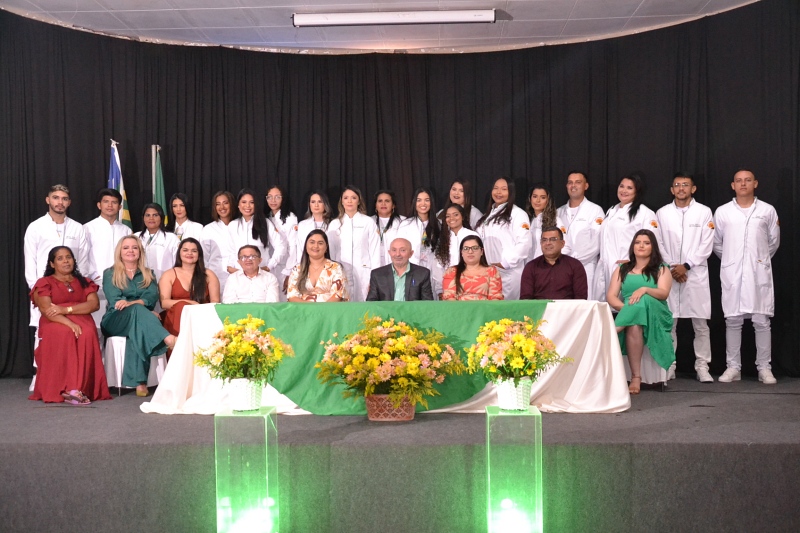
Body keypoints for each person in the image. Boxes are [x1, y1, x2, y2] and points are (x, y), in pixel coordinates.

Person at [713, 169, 780, 384]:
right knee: (733, 320)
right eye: (739, 181)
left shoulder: (767, 210)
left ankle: (764, 368)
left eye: (747, 180)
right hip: (732, 272)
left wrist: (758, 259)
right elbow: (716, 243)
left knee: (761, 320)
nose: (743, 184)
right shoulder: (723, 212)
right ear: (733, 185)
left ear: (755, 183)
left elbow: (773, 242)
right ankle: (733, 367)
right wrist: (733, 260)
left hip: (758, 271)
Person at [29, 246, 111, 405]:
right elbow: (46, 309)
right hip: (55, 320)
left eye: (69, 257)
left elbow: (94, 304)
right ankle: (65, 388)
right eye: (60, 258)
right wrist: (69, 323)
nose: (66, 261)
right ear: (52, 264)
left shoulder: (84, 281)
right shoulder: (45, 283)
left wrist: (67, 310)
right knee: (65, 333)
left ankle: (79, 389)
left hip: (81, 318)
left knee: (87, 333)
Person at [656, 172, 715, 383]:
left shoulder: (704, 212)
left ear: (693, 188)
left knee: (700, 325)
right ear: (672, 189)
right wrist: (674, 267)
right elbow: (658, 243)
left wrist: (687, 266)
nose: (681, 188)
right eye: (677, 185)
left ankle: (702, 366)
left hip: (695, 274)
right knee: (669, 323)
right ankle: (669, 365)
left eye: (685, 185)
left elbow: (707, 243)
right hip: (670, 274)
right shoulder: (662, 213)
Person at [101, 236, 176, 397]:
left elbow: (151, 297)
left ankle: (140, 383)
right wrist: (140, 306)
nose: (130, 251)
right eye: (126, 248)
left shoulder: (148, 274)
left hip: (138, 318)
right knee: (137, 312)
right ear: (119, 252)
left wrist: (137, 305)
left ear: (140, 252)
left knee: (136, 329)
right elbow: (116, 301)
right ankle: (168, 339)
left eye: (134, 247)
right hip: (115, 319)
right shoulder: (110, 273)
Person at [607, 230, 673, 395]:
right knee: (635, 324)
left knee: (643, 299)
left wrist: (644, 289)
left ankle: (611, 331)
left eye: (646, 243)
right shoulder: (622, 269)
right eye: (637, 242)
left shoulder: (662, 269)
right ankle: (636, 376)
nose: (641, 246)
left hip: (656, 311)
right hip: (632, 312)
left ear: (653, 247)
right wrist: (630, 310)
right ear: (633, 246)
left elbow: (663, 293)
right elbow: (611, 296)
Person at [24, 185, 90, 338]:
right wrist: (38, 292)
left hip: (72, 293)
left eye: (64, 199)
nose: (60, 202)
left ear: (69, 202)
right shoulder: (35, 227)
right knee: (44, 334)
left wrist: (79, 288)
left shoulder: (77, 228)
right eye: (56, 198)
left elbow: (83, 262)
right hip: (45, 291)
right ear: (48, 200)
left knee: (76, 332)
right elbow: (30, 262)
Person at [596, 173, 664, 302]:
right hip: (605, 267)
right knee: (605, 307)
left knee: (628, 305)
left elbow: (653, 243)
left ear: (637, 191)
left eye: (629, 188)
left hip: (629, 269)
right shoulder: (612, 210)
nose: (624, 190)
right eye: (621, 186)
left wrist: (632, 261)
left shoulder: (644, 213)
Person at [83, 188, 132, 331]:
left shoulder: (126, 230)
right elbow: (83, 257)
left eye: (114, 202)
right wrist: (93, 276)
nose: (110, 205)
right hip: (96, 283)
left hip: (122, 284)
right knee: (96, 328)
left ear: (120, 207)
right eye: (106, 202)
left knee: (119, 328)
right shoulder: (88, 228)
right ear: (99, 205)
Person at [475, 177, 532, 300]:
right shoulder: (487, 215)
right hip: (487, 273)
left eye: (504, 189)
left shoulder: (518, 214)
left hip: (507, 273)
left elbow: (524, 243)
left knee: (506, 310)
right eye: (496, 188)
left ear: (511, 192)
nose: (498, 192)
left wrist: (505, 263)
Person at [158, 237, 220, 344]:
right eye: (185, 250)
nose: (189, 253)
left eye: (194, 251)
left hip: (201, 317)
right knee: (181, 306)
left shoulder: (209, 274)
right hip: (175, 318)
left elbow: (215, 302)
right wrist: (189, 303)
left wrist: (197, 308)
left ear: (199, 254)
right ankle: (179, 345)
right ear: (179, 253)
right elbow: (164, 303)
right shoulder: (169, 274)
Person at [327, 186, 381, 302]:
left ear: (359, 201)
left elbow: (375, 252)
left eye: (353, 198)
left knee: (365, 306)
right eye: (346, 198)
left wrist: (375, 279)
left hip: (364, 273)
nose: (349, 201)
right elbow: (332, 254)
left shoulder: (368, 222)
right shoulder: (334, 224)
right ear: (342, 201)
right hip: (341, 273)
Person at [557, 171, 604, 299]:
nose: (573, 185)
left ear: (586, 186)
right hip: (560, 267)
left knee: (584, 303)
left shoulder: (595, 210)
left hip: (585, 266)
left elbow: (597, 243)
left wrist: (573, 261)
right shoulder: (558, 212)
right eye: (570, 182)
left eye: (578, 182)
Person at [226, 188, 287, 277]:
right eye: (244, 202)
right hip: (239, 275)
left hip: (261, 275)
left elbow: (281, 246)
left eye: (252, 202)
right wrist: (230, 267)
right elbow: (231, 251)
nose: (247, 206)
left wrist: (269, 266)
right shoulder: (233, 225)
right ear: (238, 205)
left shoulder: (265, 223)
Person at [397, 187, 444, 297]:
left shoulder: (439, 225)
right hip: (412, 270)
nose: (423, 204)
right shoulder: (406, 225)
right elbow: (400, 249)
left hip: (433, 271)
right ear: (414, 202)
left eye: (427, 200)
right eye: (419, 200)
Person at [520, 227, 587, 300]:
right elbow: (525, 299)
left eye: (553, 239)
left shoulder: (575, 266)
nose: (548, 243)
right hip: (540, 307)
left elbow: (581, 298)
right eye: (544, 240)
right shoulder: (531, 267)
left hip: (567, 307)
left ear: (562, 244)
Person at [287, 230, 348, 302]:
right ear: (306, 246)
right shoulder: (297, 269)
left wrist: (321, 309)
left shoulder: (336, 268)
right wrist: (310, 308)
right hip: (303, 308)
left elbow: (338, 295)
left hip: (330, 308)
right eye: (312, 242)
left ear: (326, 247)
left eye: (320, 243)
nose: (316, 246)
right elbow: (292, 296)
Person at [366, 238, 434, 301]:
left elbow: (427, 303)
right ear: (389, 253)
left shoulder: (422, 274)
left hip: (412, 310)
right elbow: (371, 303)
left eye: (402, 250)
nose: (397, 254)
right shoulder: (377, 274)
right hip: (385, 311)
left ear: (411, 253)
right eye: (394, 250)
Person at [441, 236, 503, 301]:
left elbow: (496, 297)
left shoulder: (492, 271)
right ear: (461, 252)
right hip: (458, 307)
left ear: (482, 251)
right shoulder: (452, 271)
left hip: (485, 307)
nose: (470, 251)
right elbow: (449, 297)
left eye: (475, 248)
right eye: (466, 248)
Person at [265, 185, 298, 299]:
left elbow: (293, 246)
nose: (273, 200)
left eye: (277, 197)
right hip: (269, 266)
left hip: (285, 266)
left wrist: (289, 272)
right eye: (270, 197)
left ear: (283, 198)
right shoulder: (266, 217)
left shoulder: (290, 218)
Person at [201, 191, 236, 292]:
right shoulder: (208, 229)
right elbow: (204, 258)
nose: (222, 207)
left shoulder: (240, 226)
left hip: (239, 276)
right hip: (216, 278)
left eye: (225, 203)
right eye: (218, 204)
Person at [526, 184, 569, 261]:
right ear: (530, 198)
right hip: (529, 265)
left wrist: (551, 263)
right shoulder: (527, 220)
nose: (538, 200)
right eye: (535, 196)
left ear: (548, 200)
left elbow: (566, 247)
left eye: (542, 197)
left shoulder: (555, 220)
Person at [138, 203, 180, 281]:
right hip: (140, 283)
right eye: (147, 215)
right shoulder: (136, 237)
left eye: (155, 215)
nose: (151, 218)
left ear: (161, 218)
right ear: (143, 218)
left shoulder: (171, 238)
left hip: (165, 282)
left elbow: (179, 263)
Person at [295, 190, 334, 267]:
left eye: (320, 202)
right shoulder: (303, 225)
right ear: (309, 205)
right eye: (313, 202)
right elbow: (300, 249)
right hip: (308, 266)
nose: (316, 205)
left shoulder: (333, 224)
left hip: (329, 265)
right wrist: (301, 267)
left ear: (325, 204)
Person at [372, 190, 405, 266]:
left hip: (398, 264)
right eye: (380, 201)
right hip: (374, 265)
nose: (383, 204)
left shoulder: (403, 222)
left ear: (393, 205)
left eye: (387, 201)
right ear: (375, 205)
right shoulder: (369, 222)